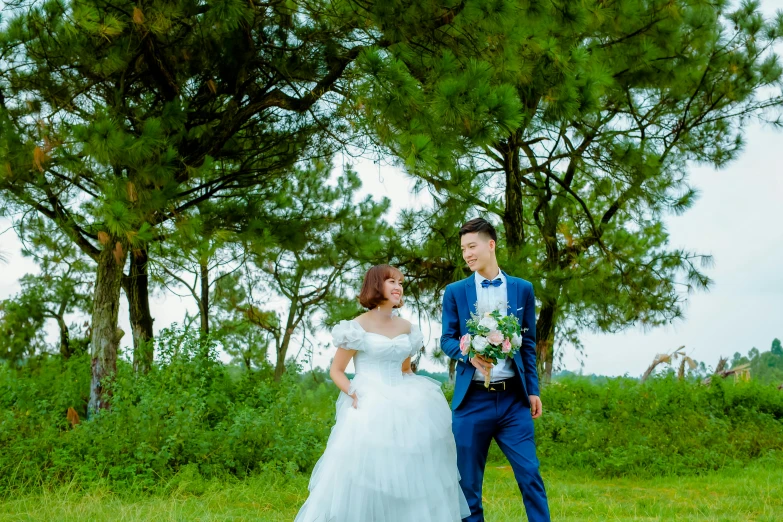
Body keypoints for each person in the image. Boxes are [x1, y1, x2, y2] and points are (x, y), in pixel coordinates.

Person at [295, 264, 470, 522]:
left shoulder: (406, 327)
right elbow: (337, 370)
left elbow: (404, 368)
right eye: (391, 281)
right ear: (376, 286)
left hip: (405, 399)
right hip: (368, 400)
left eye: (400, 282)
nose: (398, 287)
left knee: (411, 473)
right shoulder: (356, 326)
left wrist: (417, 394)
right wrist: (354, 393)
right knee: (365, 473)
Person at [440, 218, 551, 522]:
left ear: (490, 245)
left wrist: (533, 389)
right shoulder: (455, 292)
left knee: (530, 475)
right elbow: (446, 340)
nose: (467, 254)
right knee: (468, 486)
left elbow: (527, 343)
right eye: (463, 249)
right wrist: (468, 355)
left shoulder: (522, 289)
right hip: (471, 401)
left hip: (514, 401)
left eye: (472, 246)